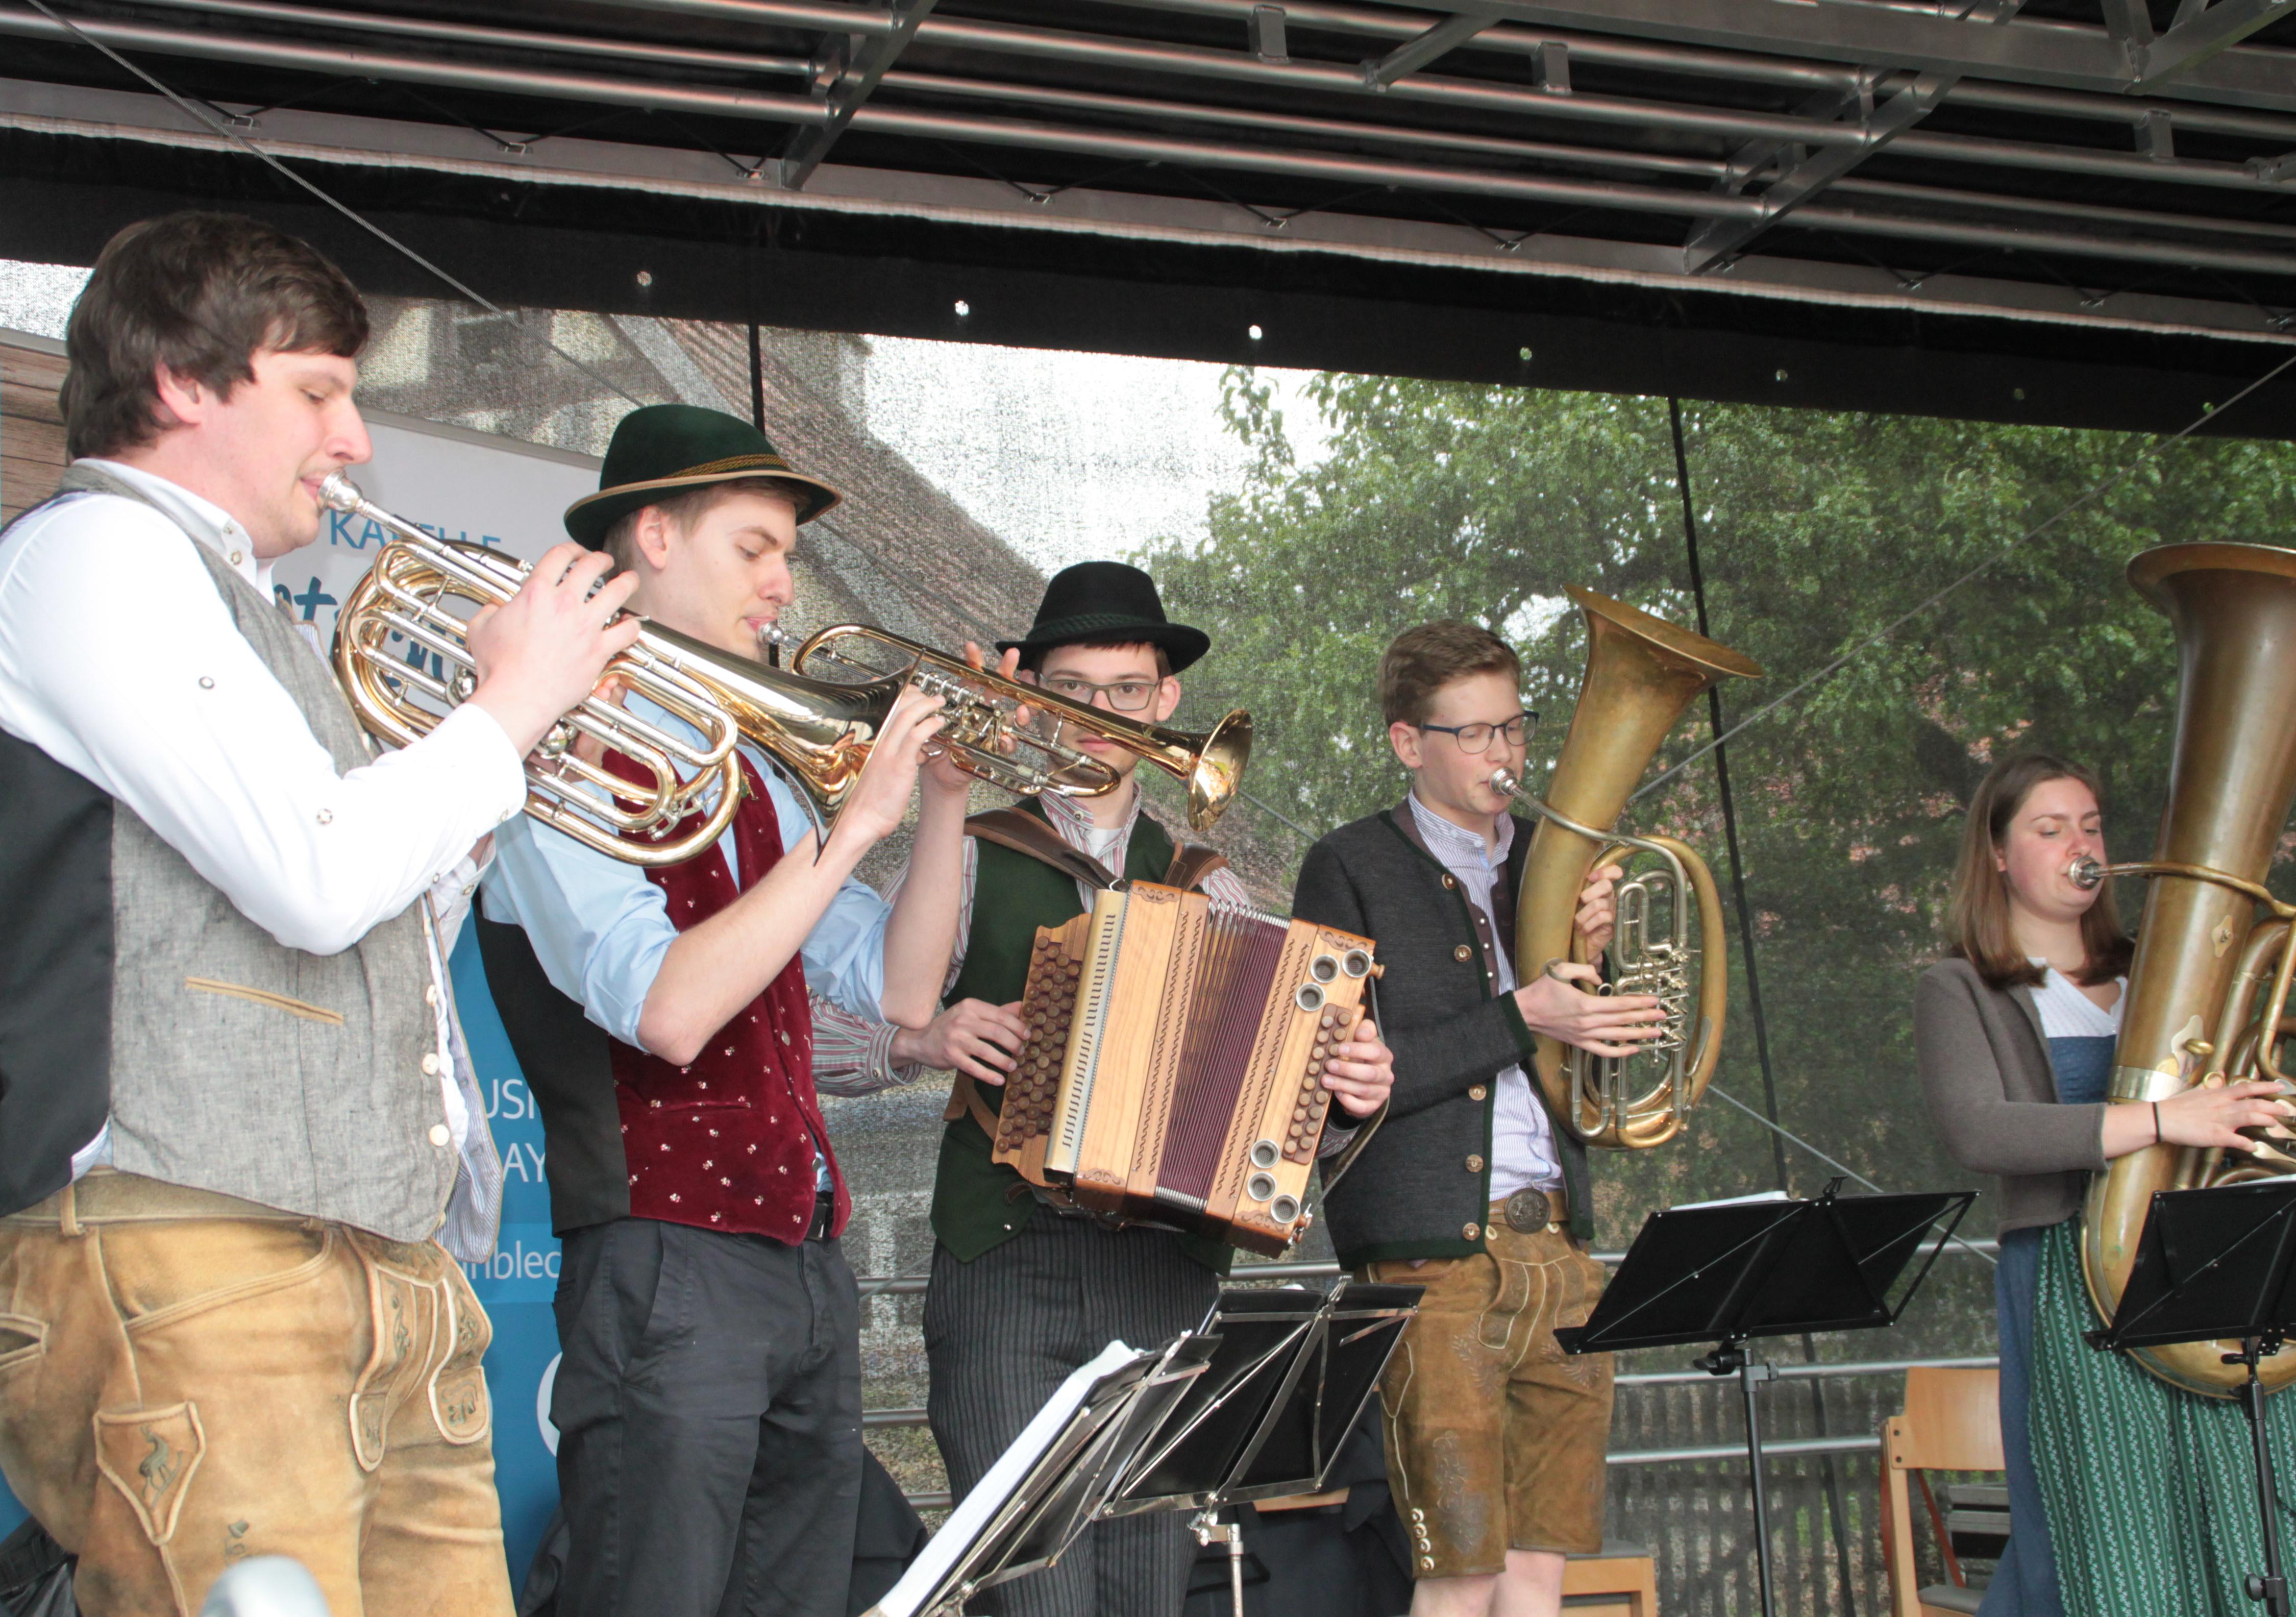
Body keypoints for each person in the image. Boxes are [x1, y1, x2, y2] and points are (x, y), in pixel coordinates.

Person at [0, 211, 635, 1616]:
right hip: (194, 1245)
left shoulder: (243, 601)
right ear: (181, 382)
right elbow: (317, 876)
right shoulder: (98, 553)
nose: (352, 442)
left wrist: (505, 762)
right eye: (318, 391)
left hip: (362, 1261)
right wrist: (505, 708)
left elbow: (380, 914)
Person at [815, 561, 1395, 1617]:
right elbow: (818, 1036)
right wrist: (925, 1041)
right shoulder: (976, 851)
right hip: (1005, 1260)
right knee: (1029, 1593)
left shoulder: (1210, 884)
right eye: (1071, 692)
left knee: (1145, 1595)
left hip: (1166, 1274)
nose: (1099, 717)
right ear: (1034, 696)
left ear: (1165, 701)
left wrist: (1352, 1086)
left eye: (1126, 692)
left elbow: (1277, 1110)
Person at [473, 403, 970, 1617]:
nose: (783, 583)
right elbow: (665, 1008)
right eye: (755, 546)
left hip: (799, 1259)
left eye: (787, 556)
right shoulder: (558, 741)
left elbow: (898, 988)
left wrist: (945, 803)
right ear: (653, 534)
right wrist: (859, 819)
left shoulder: (751, 759)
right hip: (662, 1256)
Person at [1913, 750, 2296, 1615]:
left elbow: (2234, 1113)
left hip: (2214, 1269)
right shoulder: (1958, 984)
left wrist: (2274, 1110)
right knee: (2111, 1535)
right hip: (2073, 1276)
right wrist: (2165, 1120)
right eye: (2050, 828)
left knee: (2257, 1520)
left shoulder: (2165, 966)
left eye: (2092, 826)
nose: (2081, 844)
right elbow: (1980, 1129)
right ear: (1998, 855)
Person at [1291, 621, 1659, 1617]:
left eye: (1514, 729)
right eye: (1475, 735)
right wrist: (1523, 1011)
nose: (1504, 757)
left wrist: (1605, 963)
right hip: (1430, 1259)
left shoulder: (1557, 856)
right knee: (1461, 1578)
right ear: (1409, 742)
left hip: (1563, 1243)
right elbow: (1343, 1083)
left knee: (1543, 1578)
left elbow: (1610, 1073)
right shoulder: (1349, 866)